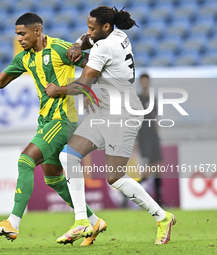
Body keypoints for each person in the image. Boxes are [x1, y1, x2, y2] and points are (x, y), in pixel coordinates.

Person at [0, 13, 105, 245]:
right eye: (17, 34)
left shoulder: (60, 49)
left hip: (62, 120)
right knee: (53, 179)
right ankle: (93, 220)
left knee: (25, 160)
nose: (19, 38)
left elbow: (94, 68)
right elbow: (0, 80)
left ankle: (13, 223)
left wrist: (68, 85)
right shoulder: (25, 58)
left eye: (22, 33)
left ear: (37, 31)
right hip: (46, 120)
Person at [44, 6, 176, 245]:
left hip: (123, 114)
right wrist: (76, 44)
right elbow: (87, 43)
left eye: (92, 28)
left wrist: (57, 90)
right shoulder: (118, 36)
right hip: (104, 110)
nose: (88, 32)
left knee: (115, 178)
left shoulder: (105, 46)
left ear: (105, 27)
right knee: (68, 157)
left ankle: (163, 217)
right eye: (87, 27)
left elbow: (82, 85)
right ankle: (82, 221)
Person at [137, 73, 163, 206]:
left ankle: (159, 200)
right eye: (143, 81)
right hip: (143, 136)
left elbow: (155, 119)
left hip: (153, 137)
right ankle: (132, 193)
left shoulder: (154, 99)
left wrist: (158, 136)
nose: (145, 83)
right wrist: (135, 140)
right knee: (148, 168)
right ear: (140, 83)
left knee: (157, 165)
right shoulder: (137, 99)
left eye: (147, 81)